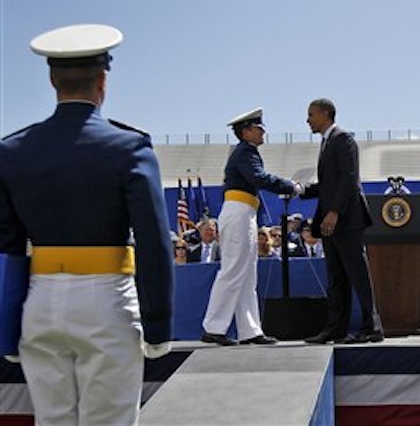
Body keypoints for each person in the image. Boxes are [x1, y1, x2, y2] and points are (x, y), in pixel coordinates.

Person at [0, 24, 173, 424]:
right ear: (103, 81)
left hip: (39, 303)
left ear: (51, 79)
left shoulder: (12, 151)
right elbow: (152, 241)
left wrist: (7, 328)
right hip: (106, 299)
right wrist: (159, 324)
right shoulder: (129, 147)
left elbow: (8, 248)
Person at [201, 108, 302, 346]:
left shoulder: (245, 151)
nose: (263, 132)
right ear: (246, 132)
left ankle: (249, 330)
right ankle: (213, 327)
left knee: (246, 274)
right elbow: (260, 178)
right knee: (234, 270)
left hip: (243, 212)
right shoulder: (246, 152)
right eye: (259, 128)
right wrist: (290, 186)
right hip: (238, 213)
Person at [301, 98, 384, 344]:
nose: (308, 120)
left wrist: (334, 211)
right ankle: (335, 329)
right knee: (336, 277)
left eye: (311, 115)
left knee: (357, 274)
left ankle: (372, 328)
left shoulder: (342, 139)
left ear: (326, 114)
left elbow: (349, 179)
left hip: (347, 220)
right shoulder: (327, 143)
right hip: (330, 224)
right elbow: (329, 185)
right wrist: (299, 190)